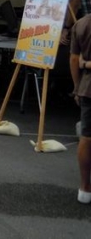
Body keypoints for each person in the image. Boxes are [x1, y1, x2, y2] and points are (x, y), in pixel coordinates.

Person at [70, 14, 91, 204]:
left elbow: (74, 60)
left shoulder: (81, 24)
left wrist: (77, 87)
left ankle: (85, 188)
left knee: (87, 137)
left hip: (87, 87)